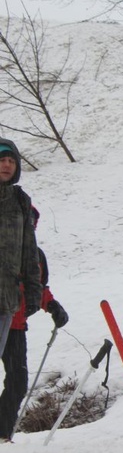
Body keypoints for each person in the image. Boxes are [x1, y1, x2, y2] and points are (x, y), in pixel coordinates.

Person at [0, 206, 69, 440]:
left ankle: (2, 434)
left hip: (16, 327)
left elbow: (37, 289)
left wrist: (53, 306)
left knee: (18, 382)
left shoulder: (36, 257)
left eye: (30, 222)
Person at [0, 138, 41, 360]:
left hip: (6, 297)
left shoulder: (20, 201)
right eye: (2, 160)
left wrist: (34, 290)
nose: (7, 165)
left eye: (11, 161)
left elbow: (29, 250)